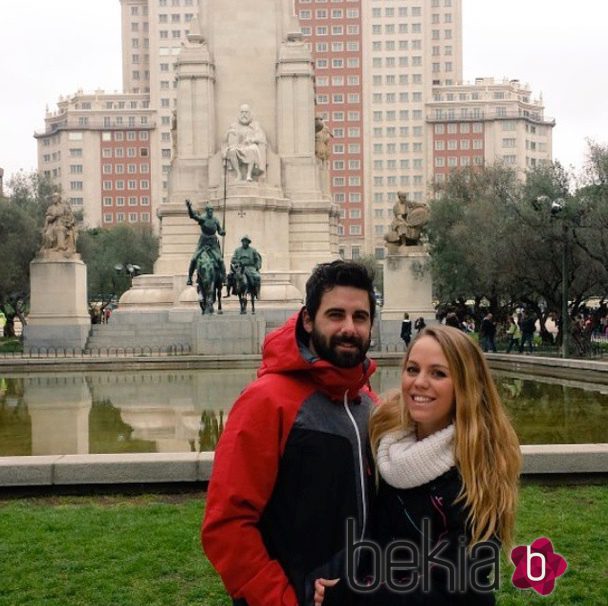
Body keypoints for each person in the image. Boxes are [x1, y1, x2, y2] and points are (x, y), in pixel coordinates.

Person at [202, 260, 378, 606]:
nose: (349, 328)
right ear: (309, 319)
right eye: (335, 315)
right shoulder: (265, 400)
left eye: (360, 317)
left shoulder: (368, 402)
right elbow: (227, 525)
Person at [315, 326, 521, 605]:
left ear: (466, 384)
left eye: (438, 373)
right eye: (412, 369)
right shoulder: (383, 439)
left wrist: (350, 595)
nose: (419, 383)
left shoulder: (479, 467)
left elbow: (453, 584)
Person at [185, 199, 226, 286]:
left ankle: (224, 278)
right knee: (194, 259)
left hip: (213, 243)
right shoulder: (203, 218)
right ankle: (189, 278)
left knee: (220, 260)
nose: (210, 211)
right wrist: (189, 207)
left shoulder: (215, 220)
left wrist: (222, 232)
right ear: (207, 211)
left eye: (212, 210)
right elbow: (192, 216)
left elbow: (219, 230)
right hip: (203, 242)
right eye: (209, 210)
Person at [223, 104, 267, 182]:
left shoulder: (255, 125)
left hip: (250, 146)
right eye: (242, 112)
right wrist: (229, 132)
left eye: (246, 112)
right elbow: (225, 140)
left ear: (250, 114)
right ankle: (238, 174)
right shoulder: (234, 126)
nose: (244, 115)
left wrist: (252, 140)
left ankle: (249, 174)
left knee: (253, 149)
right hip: (238, 146)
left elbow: (261, 138)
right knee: (231, 151)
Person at [41, 192, 77, 257]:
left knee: (60, 229)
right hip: (52, 224)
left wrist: (67, 221)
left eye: (55, 197)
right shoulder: (50, 208)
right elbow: (47, 218)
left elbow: (70, 216)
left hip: (63, 224)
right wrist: (53, 217)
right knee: (47, 234)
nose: (53, 198)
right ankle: (49, 248)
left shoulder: (64, 207)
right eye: (52, 197)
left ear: (58, 198)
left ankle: (61, 247)